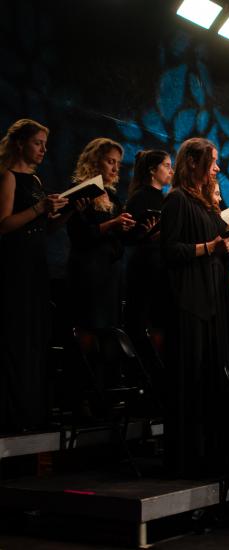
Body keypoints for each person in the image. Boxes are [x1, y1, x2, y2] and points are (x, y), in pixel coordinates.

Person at [161, 137, 229, 478]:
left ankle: (213, 454)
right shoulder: (177, 199)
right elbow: (169, 251)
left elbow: (225, 243)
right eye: (213, 161)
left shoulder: (208, 205)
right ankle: (188, 458)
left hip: (213, 300)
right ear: (193, 163)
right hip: (189, 302)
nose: (217, 168)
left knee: (212, 379)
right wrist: (209, 247)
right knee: (191, 379)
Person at [0, 119, 68, 433]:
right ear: (20, 143)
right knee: (17, 336)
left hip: (36, 264)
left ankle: (31, 410)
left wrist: (65, 212)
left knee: (36, 337)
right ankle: (13, 413)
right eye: (38, 143)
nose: (43, 149)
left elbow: (44, 228)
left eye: (44, 144)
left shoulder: (36, 179)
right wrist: (40, 209)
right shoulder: (8, 176)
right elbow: (4, 225)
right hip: (15, 266)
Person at [67, 138, 134, 329]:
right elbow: (80, 235)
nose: (115, 168)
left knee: (109, 329)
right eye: (110, 161)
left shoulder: (112, 196)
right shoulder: (80, 192)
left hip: (110, 271)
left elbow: (119, 235)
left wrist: (125, 227)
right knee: (89, 325)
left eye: (118, 163)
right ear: (96, 161)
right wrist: (113, 223)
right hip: (89, 271)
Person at [124, 150, 173, 342]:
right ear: (153, 170)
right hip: (144, 268)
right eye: (167, 166)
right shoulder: (140, 197)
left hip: (160, 266)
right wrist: (145, 235)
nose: (171, 171)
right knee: (141, 323)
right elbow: (127, 236)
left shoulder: (166, 199)